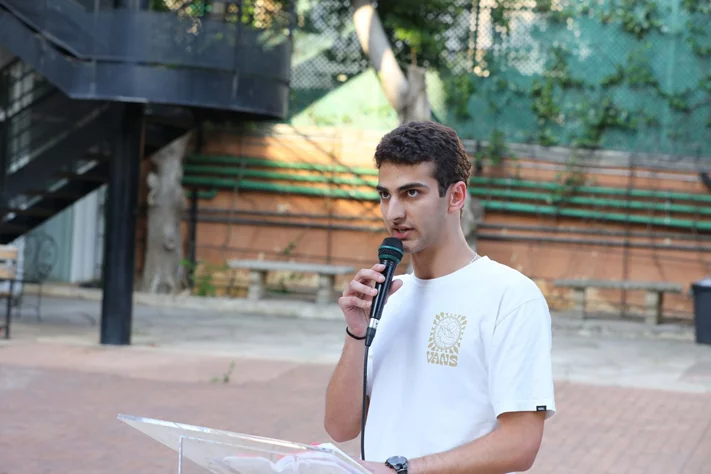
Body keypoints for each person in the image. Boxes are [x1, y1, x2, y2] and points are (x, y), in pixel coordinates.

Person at [323, 121, 556, 474]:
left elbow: (520, 443)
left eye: (411, 193)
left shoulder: (510, 297)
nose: (393, 213)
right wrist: (356, 333)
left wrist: (401, 469)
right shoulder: (389, 298)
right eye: (385, 195)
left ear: (456, 196)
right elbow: (340, 427)